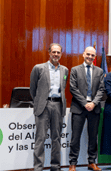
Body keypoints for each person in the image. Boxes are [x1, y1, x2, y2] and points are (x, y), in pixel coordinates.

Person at [30, 43, 69, 171]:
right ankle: (38, 167)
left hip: (58, 105)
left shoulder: (65, 70)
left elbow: (63, 88)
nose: (56, 54)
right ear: (49, 52)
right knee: (40, 138)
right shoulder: (38, 68)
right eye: (54, 52)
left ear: (61, 54)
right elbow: (33, 89)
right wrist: (39, 101)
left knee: (56, 138)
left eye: (58, 52)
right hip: (43, 105)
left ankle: (55, 166)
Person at [68, 46, 105, 171]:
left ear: (95, 57)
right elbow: (73, 88)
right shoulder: (75, 70)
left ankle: (92, 161)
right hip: (79, 107)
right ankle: (73, 163)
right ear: (83, 54)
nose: (90, 57)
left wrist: (93, 103)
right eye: (88, 54)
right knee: (75, 137)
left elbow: (101, 90)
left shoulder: (99, 71)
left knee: (93, 136)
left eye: (92, 55)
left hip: (94, 108)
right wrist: (85, 103)